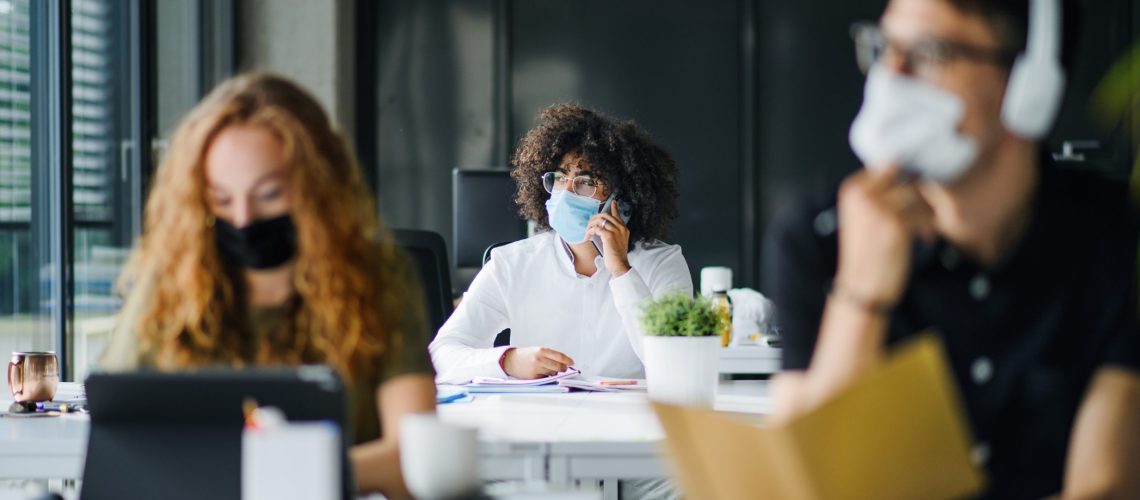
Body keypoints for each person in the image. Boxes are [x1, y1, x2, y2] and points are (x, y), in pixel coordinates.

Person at [764, 0, 1140, 498]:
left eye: (932, 52)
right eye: (884, 47)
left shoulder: (1113, 236)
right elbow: (805, 482)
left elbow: (1105, 487)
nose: (891, 75)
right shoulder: (817, 238)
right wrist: (861, 292)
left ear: (1029, 86)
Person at [98, 73, 435, 498]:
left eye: (269, 194)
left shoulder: (377, 276)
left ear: (318, 187)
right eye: (221, 200)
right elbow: (119, 435)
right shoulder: (169, 286)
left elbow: (413, 456)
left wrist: (287, 474)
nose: (242, 219)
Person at [430, 103, 692, 383]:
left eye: (585, 182)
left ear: (622, 198)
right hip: (538, 422)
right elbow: (441, 355)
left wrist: (622, 272)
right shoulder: (511, 264)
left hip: (628, 423)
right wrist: (506, 360)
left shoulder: (662, 263)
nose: (566, 193)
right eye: (559, 178)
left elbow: (678, 365)